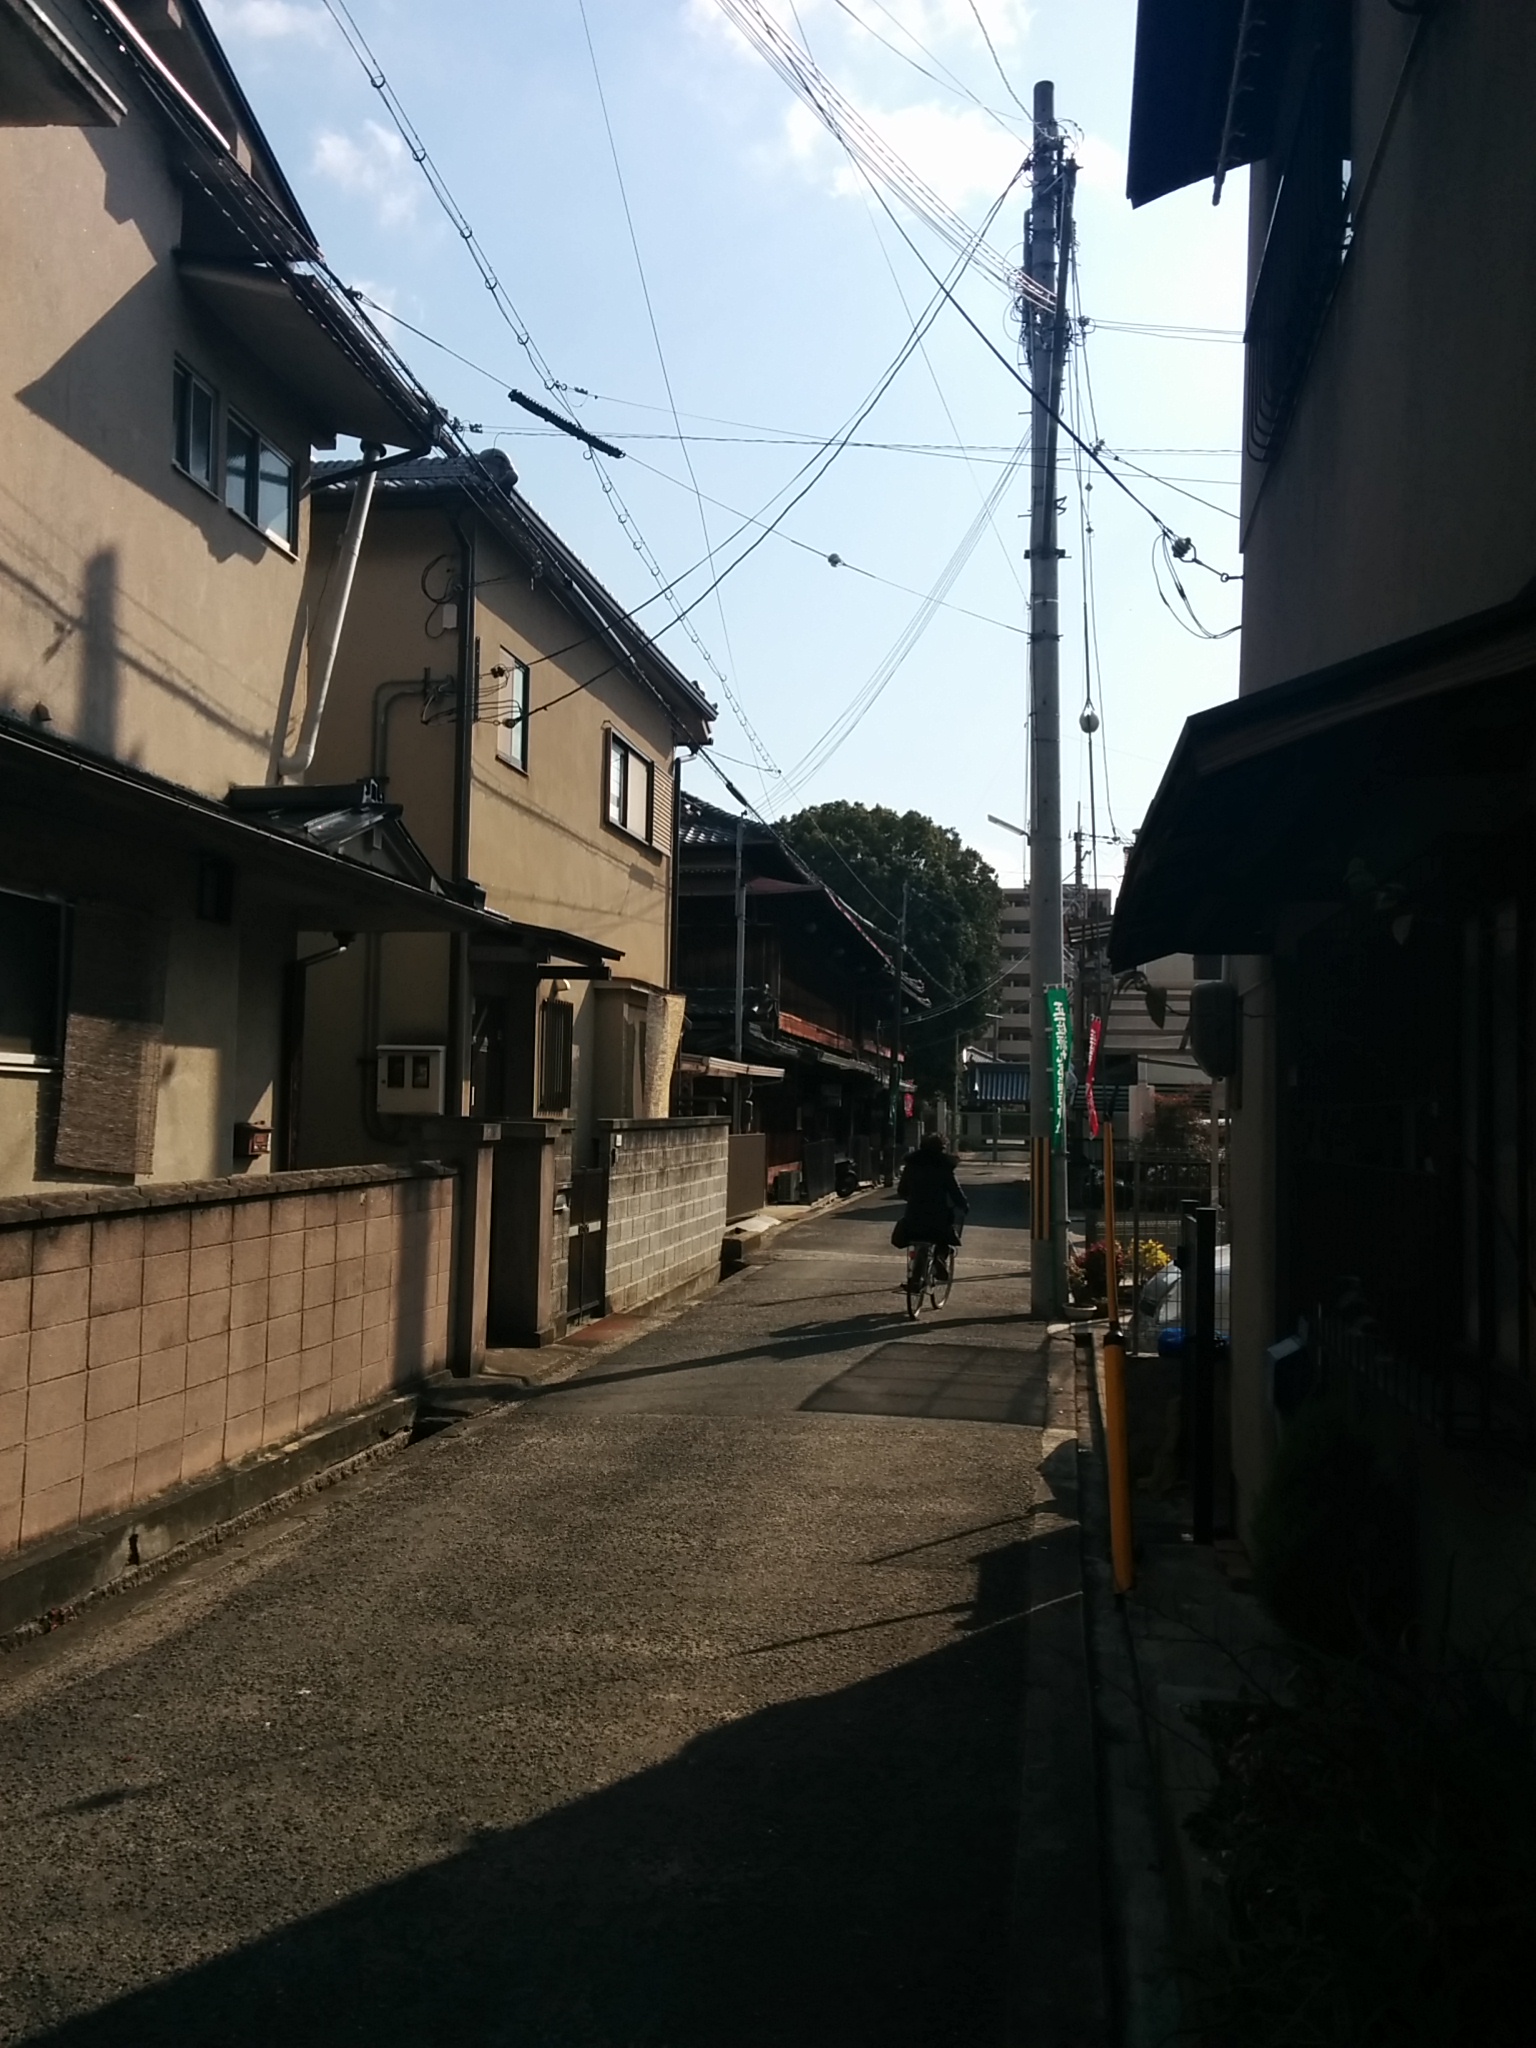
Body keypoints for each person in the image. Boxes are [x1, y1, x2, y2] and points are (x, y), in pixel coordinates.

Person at [893, 1132, 969, 1276]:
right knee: (944, 1237)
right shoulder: (944, 1166)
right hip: (938, 1217)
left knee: (912, 1234)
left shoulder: (912, 1164)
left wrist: (911, 1198)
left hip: (914, 1216)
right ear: (942, 1148)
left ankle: (914, 1274)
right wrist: (963, 1205)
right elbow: (955, 1191)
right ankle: (939, 1258)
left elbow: (902, 1190)